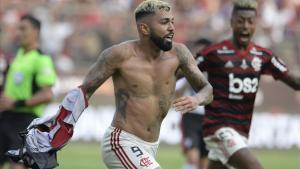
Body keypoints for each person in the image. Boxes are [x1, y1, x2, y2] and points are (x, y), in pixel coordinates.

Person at [6, 1, 213, 169]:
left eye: (173, 22)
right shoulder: (119, 55)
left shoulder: (180, 53)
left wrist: (196, 99)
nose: (172, 28)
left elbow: (207, 89)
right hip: (120, 141)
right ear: (144, 28)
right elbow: (84, 91)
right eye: (165, 22)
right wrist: (56, 126)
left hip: (151, 145)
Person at [197, 0, 300, 169]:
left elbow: (295, 83)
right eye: (240, 21)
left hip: (241, 132)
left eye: (250, 21)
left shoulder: (263, 56)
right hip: (218, 128)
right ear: (231, 22)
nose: (245, 26)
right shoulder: (214, 52)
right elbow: (183, 71)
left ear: (256, 24)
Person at [0, 15, 57, 169]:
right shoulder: (17, 57)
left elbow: (47, 94)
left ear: (36, 32)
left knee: (17, 166)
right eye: (18, 28)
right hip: (4, 119)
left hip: (24, 122)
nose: (18, 32)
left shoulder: (41, 59)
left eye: (23, 28)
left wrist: (16, 103)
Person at [178, 38, 212, 169]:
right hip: (191, 118)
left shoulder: (217, 73)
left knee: (204, 163)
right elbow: (177, 94)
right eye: (198, 52)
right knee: (193, 157)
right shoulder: (187, 71)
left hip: (209, 119)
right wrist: (189, 79)